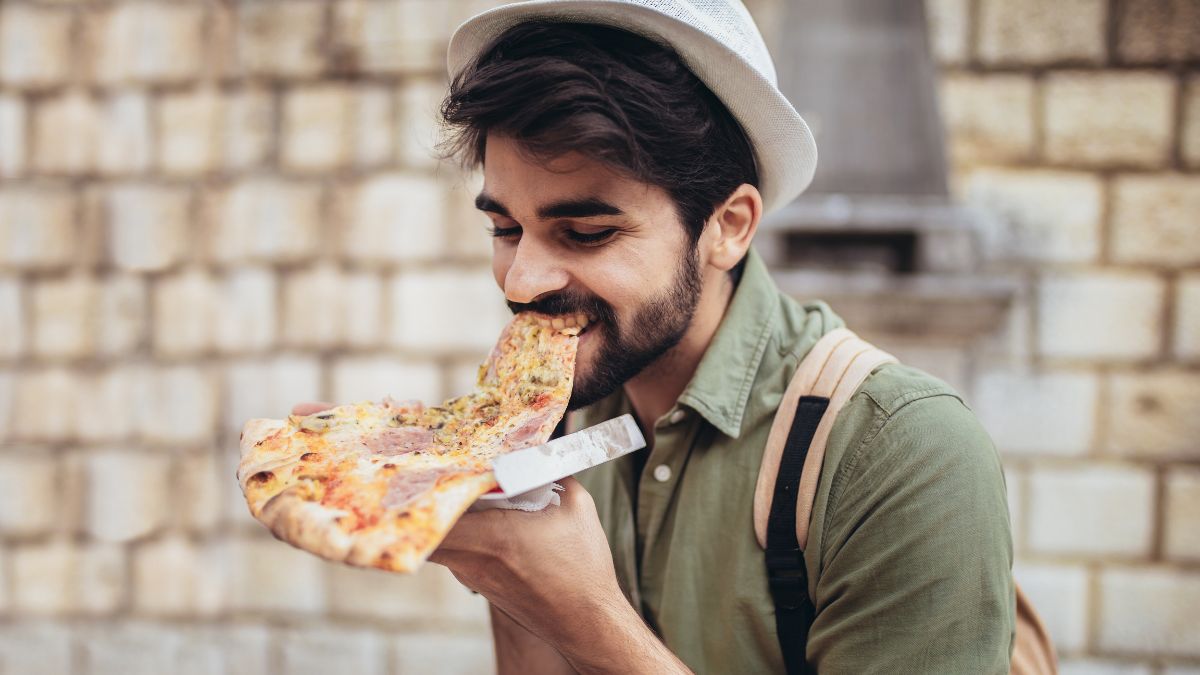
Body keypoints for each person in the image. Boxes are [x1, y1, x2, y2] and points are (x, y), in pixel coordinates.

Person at [303, 1, 1015, 672]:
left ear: (728, 225)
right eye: (504, 228)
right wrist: (504, 568)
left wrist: (588, 614)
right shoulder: (552, 420)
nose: (521, 281)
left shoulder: (899, 454)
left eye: (586, 232)